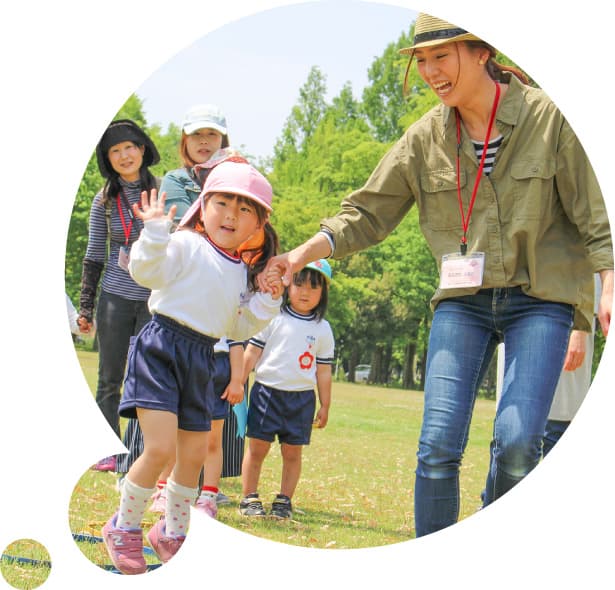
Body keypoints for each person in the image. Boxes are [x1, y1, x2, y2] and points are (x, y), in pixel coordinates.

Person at [258, 12, 613, 538]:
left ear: (481, 52)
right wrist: (300, 254)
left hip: (540, 298)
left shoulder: (549, 118)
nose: (429, 71)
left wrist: (605, 283)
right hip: (463, 301)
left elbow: (594, 211)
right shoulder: (424, 137)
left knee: (518, 444)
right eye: (421, 60)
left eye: (440, 56)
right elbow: (366, 213)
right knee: (438, 444)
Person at [101, 160, 283, 574]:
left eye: (245, 209)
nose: (231, 215)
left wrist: (267, 300)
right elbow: (147, 273)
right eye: (223, 203)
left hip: (203, 358)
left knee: (194, 454)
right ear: (203, 206)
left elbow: (237, 325)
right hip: (162, 348)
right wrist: (154, 232)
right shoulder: (184, 243)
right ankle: (124, 526)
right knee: (160, 447)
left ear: (258, 224)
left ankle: (172, 530)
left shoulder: (241, 270)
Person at [129, 104, 248, 506]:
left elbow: (240, 232)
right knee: (161, 435)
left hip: (206, 335)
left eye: (212, 136)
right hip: (175, 307)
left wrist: (236, 181)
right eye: (197, 135)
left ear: (223, 142)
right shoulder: (177, 181)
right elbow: (185, 223)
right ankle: (138, 506)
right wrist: (222, 180)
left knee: (196, 442)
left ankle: (179, 518)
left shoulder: (236, 183)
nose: (204, 142)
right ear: (184, 141)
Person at [77, 119, 160, 473]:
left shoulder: (160, 190)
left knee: (146, 378)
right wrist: (85, 306)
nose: (125, 156)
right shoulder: (104, 200)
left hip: (155, 298)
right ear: (107, 159)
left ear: (142, 150)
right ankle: (105, 448)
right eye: (116, 151)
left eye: (130, 147)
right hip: (114, 295)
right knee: (110, 378)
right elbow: (95, 254)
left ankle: (140, 450)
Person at [240, 260, 334, 519]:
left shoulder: (323, 329)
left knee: (292, 452)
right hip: (266, 393)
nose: (305, 292)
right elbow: (252, 351)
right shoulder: (273, 317)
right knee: (257, 448)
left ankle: (284, 500)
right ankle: (249, 497)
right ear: (287, 284)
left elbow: (323, 371)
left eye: (314, 288)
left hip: (301, 400)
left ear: (323, 293)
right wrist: (238, 380)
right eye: (299, 284)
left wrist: (325, 404)